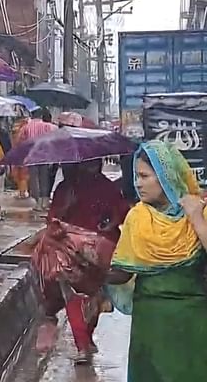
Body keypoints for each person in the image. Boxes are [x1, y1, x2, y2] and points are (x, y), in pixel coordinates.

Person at [106, 141, 207, 380]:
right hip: (149, 320)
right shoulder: (137, 217)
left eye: (144, 176)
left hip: (192, 320)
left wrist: (195, 217)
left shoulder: (198, 211)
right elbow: (122, 271)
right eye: (136, 176)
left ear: (165, 175)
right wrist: (88, 267)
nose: (137, 183)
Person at [32, 159, 130, 363]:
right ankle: (85, 342)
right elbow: (121, 214)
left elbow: (53, 218)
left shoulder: (68, 187)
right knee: (87, 295)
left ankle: (84, 343)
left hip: (75, 250)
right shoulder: (105, 186)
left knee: (78, 297)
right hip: (95, 251)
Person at [21, 108, 56, 211]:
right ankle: (44, 202)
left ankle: (37, 203)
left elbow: (21, 142)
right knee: (44, 179)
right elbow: (55, 136)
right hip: (45, 156)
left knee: (33, 180)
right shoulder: (48, 126)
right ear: (41, 116)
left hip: (32, 156)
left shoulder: (26, 127)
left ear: (32, 116)